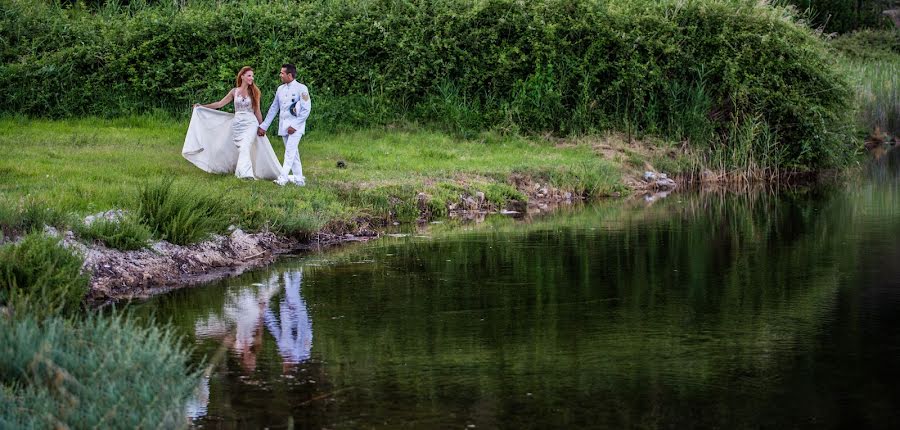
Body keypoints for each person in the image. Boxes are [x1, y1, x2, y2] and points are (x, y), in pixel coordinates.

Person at [188, 66, 281, 179]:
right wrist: (202, 106)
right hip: (237, 124)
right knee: (240, 148)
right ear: (242, 76)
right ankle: (242, 171)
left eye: (252, 76)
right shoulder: (234, 91)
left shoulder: (254, 92)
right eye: (249, 75)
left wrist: (262, 127)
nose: (252, 78)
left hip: (250, 123)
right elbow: (219, 104)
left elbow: (257, 111)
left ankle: (245, 175)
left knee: (245, 146)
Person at [257, 63, 312, 187]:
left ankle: (282, 178)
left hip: (296, 127)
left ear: (289, 75)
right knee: (294, 153)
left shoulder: (301, 88)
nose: (280, 75)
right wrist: (264, 126)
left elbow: (306, 110)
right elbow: (274, 108)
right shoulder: (280, 89)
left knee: (289, 152)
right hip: (284, 125)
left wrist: (296, 126)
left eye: (282, 73)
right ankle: (299, 180)